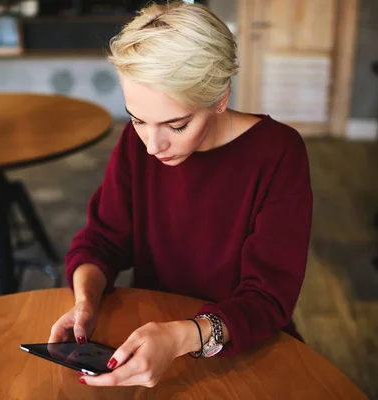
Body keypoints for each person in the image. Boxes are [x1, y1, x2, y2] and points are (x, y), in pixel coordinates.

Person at [48, 1, 313, 388]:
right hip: (153, 335)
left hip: (244, 348)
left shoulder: (279, 153)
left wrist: (181, 337)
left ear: (220, 98)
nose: (153, 145)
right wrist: (86, 299)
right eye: (138, 119)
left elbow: (268, 298)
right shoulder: (135, 143)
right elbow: (102, 241)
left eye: (177, 124)